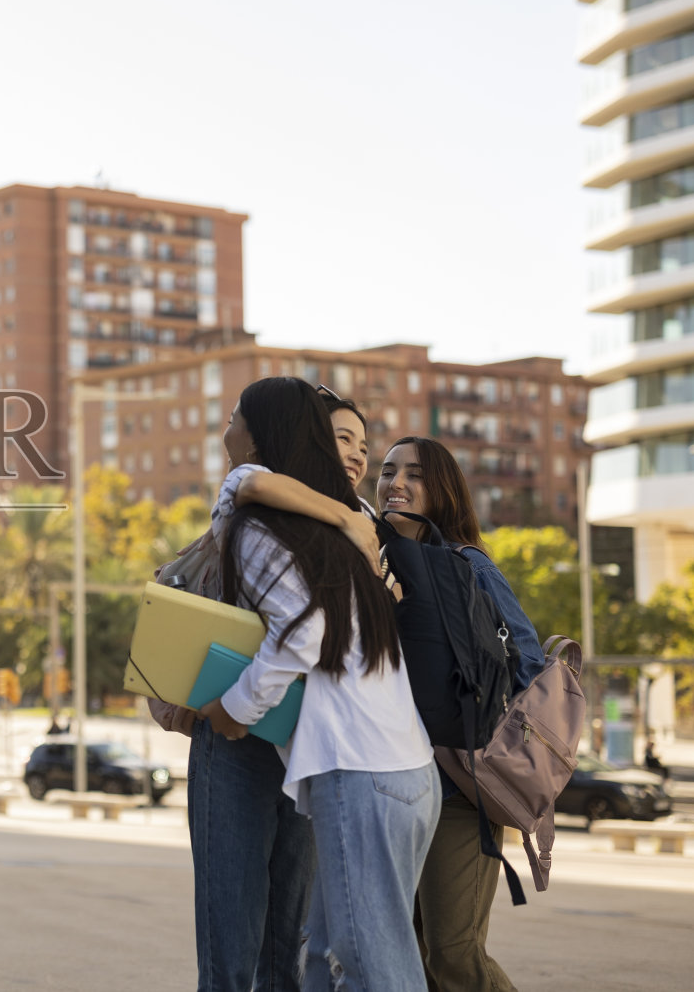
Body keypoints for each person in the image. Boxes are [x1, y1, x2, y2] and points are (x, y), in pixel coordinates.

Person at [200, 377, 439, 990]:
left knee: (373, 971)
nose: (225, 428)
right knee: (327, 961)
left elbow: (302, 633)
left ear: (259, 435)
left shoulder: (259, 523)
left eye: (233, 417)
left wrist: (236, 707)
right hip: (407, 770)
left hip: (359, 769)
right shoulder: (347, 528)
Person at [146, 385, 377, 992]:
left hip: (289, 737)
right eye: (338, 437)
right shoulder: (285, 506)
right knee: (248, 941)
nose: (353, 454)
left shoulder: (354, 521)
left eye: (233, 419)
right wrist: (348, 519)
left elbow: (319, 629)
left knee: (274, 940)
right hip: (260, 735)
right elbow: (253, 483)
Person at [378, 436, 545, 991]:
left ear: (443, 490)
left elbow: (529, 664)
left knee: (453, 952)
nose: (396, 483)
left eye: (415, 474)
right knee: (409, 954)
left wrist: (485, 739)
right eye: (388, 471)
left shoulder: (468, 565)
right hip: (390, 784)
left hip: (458, 789)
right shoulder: (374, 566)